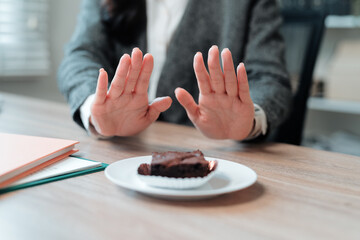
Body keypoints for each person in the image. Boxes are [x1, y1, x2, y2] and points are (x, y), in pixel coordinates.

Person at [58, 0, 292, 141]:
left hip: (210, 157)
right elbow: (80, 55)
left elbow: (270, 76)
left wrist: (249, 120)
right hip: (122, 154)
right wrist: (95, 108)